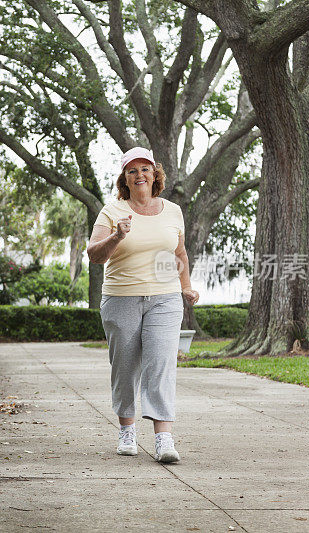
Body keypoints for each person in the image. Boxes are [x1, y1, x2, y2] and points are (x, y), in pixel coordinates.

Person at [86, 146, 199, 463]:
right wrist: (116, 237)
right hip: (121, 298)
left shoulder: (173, 211)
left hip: (164, 299)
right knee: (125, 368)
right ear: (125, 177)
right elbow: (94, 255)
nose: (139, 175)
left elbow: (179, 255)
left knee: (161, 364)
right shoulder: (112, 211)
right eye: (132, 170)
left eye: (145, 169)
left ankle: (164, 439)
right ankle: (127, 431)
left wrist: (186, 287)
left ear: (155, 174)